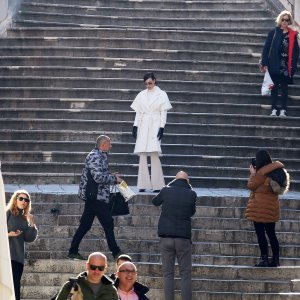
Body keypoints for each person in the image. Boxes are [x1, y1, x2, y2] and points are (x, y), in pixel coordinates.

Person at [68, 135, 123, 260]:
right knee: (108, 223)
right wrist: (114, 179)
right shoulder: (95, 156)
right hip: (96, 196)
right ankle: (116, 252)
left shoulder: (100, 155)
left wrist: (110, 175)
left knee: (85, 225)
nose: (111, 146)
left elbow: (99, 174)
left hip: (96, 195)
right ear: (103, 144)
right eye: (109, 143)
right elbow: (98, 177)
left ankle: (72, 250)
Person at [152, 171, 197, 300]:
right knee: (186, 274)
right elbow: (191, 212)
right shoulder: (192, 193)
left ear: (174, 179)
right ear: (187, 181)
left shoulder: (166, 190)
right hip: (183, 238)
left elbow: (155, 201)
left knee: (167, 273)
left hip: (166, 237)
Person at [245, 149, 290, 267]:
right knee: (271, 233)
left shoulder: (260, 173)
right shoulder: (276, 170)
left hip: (259, 209)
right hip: (271, 208)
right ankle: (275, 259)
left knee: (260, 233)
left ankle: (264, 259)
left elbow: (251, 185)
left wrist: (252, 173)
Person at [131, 72, 172, 193]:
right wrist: (135, 125)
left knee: (154, 153)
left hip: (155, 122)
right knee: (142, 153)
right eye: (146, 83)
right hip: (143, 124)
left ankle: (158, 185)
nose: (148, 85)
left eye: (150, 82)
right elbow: (138, 112)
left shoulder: (162, 94)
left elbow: (163, 111)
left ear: (154, 80)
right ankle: (142, 184)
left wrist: (162, 127)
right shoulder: (141, 94)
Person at [260, 10, 299, 117]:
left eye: (287, 20)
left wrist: (294, 66)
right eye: (283, 19)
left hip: (287, 65)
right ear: (280, 20)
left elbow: (296, 52)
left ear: (289, 21)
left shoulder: (292, 34)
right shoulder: (273, 32)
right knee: (274, 86)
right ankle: (273, 109)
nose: (285, 22)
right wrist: (264, 63)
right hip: (274, 63)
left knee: (285, 87)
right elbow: (266, 48)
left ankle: (283, 110)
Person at [6, 189, 38, 300]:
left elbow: (29, 238)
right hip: (6, 256)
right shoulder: (8, 213)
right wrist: (8, 234)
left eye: (26, 200)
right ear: (15, 200)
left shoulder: (25, 218)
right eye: (21, 198)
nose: (23, 201)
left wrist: (32, 223)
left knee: (16, 287)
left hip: (18, 258)